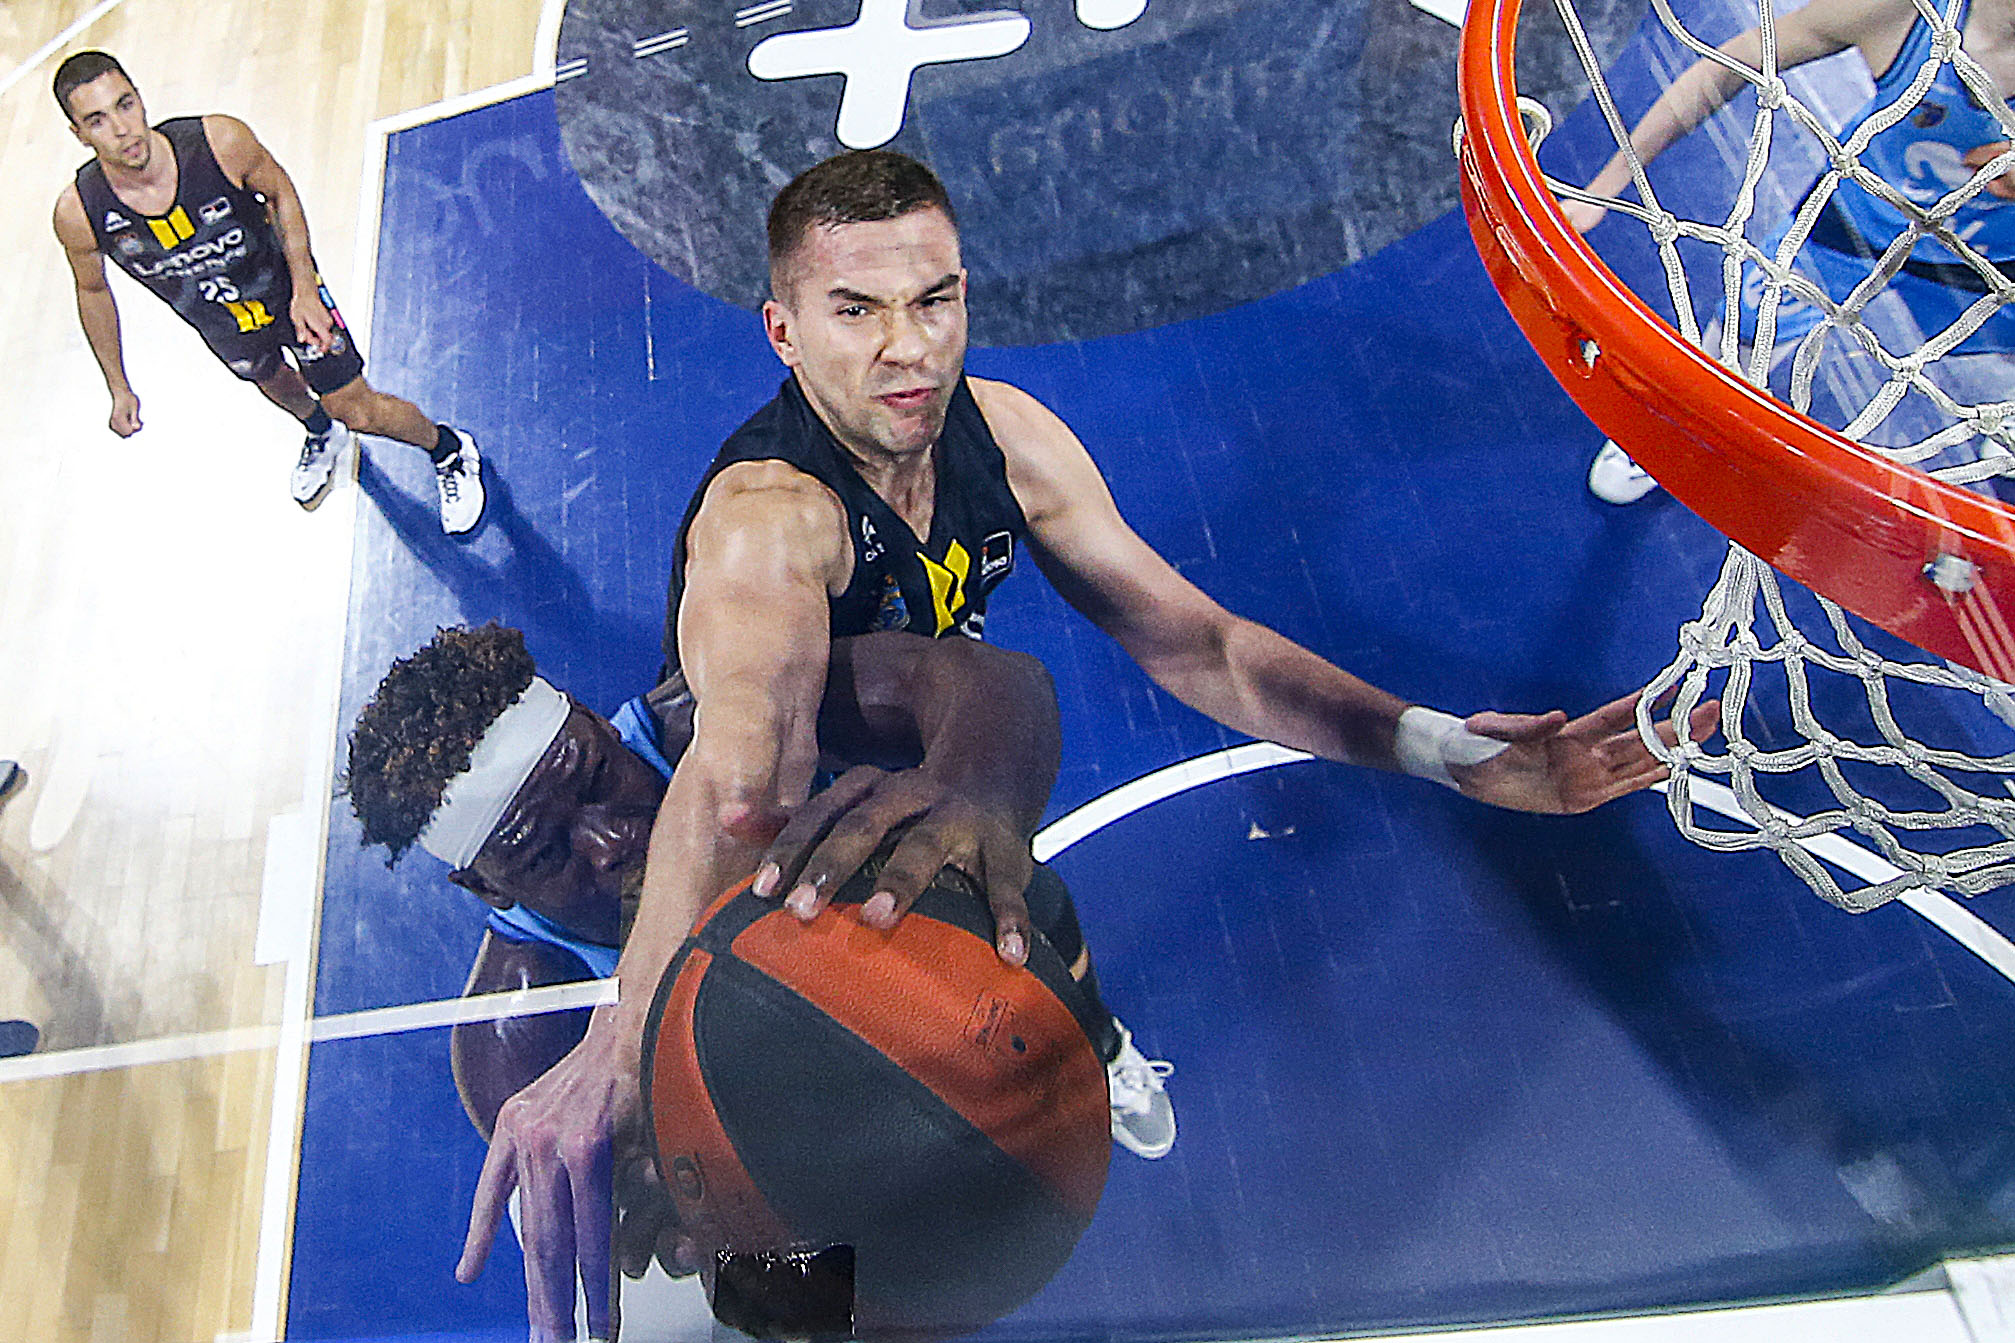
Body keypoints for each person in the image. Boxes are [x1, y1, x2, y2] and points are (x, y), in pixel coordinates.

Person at [467, 150, 1722, 1342]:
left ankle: (1094, 1049)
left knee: (1030, 913)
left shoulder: (1000, 435)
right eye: (855, 311)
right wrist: (620, 1043)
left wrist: (1446, 749)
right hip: (779, 863)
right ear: (783, 332)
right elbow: (745, 774)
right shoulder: (766, 522)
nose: (909, 346)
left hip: (930, 780)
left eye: (934, 298)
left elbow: (1205, 647)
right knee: (791, 1215)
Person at [346, 624, 1163, 1331]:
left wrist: (974, 792)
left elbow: (988, 678)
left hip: (952, 973)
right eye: (545, 853)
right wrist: (895, 1292)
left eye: (597, 780)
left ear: (595, 721)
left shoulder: (720, 714)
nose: (610, 840)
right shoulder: (520, 1046)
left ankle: (1100, 1043)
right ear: (487, 888)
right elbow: (703, 1264)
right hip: (834, 1168)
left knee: (1020, 892)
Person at [1563, 0, 2015, 504]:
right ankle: (1675, 419)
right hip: (1859, 221)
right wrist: (1607, 185)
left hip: (1994, 260)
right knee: (1741, 336)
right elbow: (1732, 63)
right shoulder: (1904, 14)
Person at [51, 51, 486, 533]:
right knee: (275, 382)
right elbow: (93, 291)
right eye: (97, 120)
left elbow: (280, 193)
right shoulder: (79, 213)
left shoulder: (218, 142)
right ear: (79, 133)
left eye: (125, 104)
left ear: (139, 97)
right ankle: (322, 433)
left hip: (289, 297)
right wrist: (117, 385)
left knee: (355, 408)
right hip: (223, 324)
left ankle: (448, 450)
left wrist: (305, 288)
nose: (122, 129)